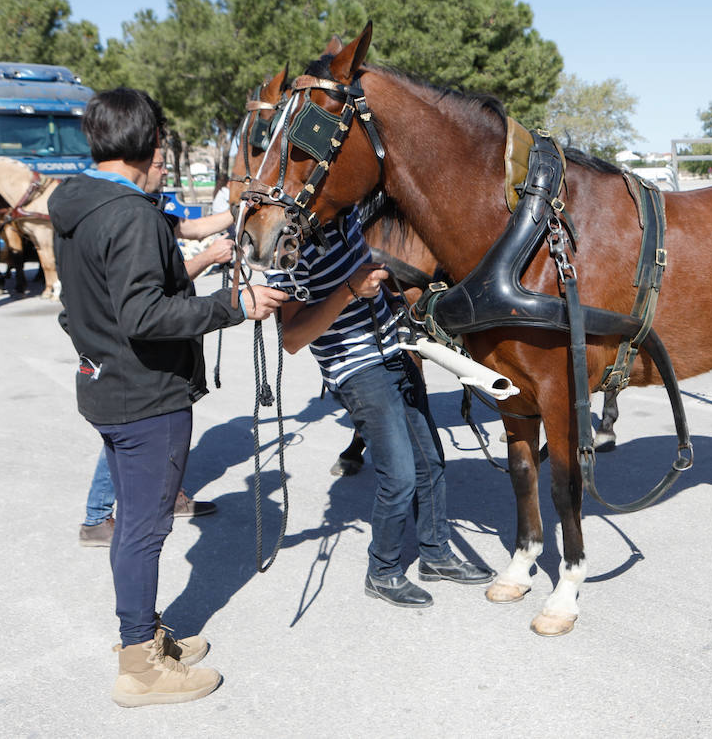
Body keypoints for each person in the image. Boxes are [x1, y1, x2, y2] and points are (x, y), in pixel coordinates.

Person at [50, 88, 288, 707]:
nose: (163, 154)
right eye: (160, 141)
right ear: (147, 143)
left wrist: (197, 267)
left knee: (134, 522)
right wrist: (234, 306)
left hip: (109, 381)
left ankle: (143, 632)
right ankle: (139, 665)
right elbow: (143, 313)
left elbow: (104, 296)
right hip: (144, 392)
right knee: (142, 529)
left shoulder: (79, 204)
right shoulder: (129, 214)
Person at [266, 207, 494, 610]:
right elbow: (293, 338)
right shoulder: (289, 248)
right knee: (400, 477)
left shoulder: (347, 217)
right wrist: (349, 291)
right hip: (356, 369)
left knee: (430, 462)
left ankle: (436, 554)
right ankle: (383, 571)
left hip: (396, 350)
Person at [79, 193, 237, 546]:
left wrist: (237, 211)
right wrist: (210, 258)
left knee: (147, 432)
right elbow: (161, 289)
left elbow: (192, 227)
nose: (163, 169)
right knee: (128, 434)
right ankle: (97, 517)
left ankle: (169, 495)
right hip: (136, 350)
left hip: (153, 347)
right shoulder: (132, 218)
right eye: (157, 162)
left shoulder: (147, 209)